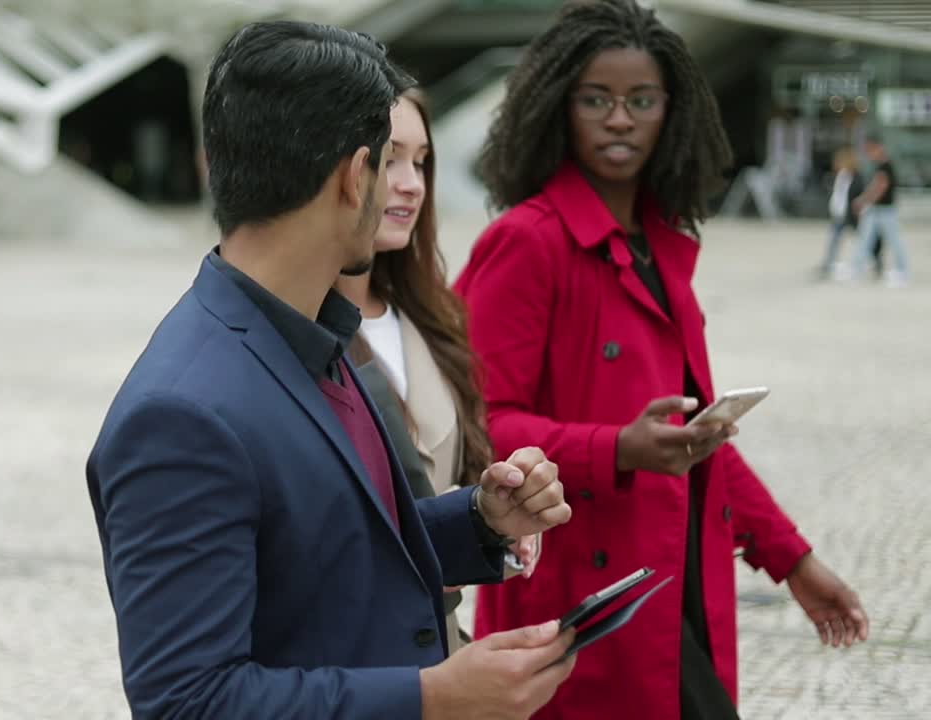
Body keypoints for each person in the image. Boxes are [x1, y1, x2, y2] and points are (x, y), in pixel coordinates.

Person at [87, 21, 576, 719]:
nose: (401, 189)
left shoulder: (308, 332)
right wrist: (433, 698)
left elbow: (330, 550)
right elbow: (187, 703)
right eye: (389, 163)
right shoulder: (184, 413)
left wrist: (479, 521)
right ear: (354, 176)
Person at [454, 2, 870, 719]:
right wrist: (618, 448)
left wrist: (794, 562)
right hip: (579, 607)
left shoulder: (660, 244)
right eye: (597, 99)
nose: (621, 119)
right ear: (558, 106)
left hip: (681, 590)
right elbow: (479, 425)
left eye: (642, 100)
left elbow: (700, 437)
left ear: (671, 113)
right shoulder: (529, 242)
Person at [334, 89, 542, 654]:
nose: (411, 183)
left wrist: (503, 515)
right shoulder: (298, 333)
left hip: (440, 645)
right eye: (390, 157)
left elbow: (463, 474)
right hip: (351, 663)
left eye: (422, 161)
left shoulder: (431, 317)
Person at [847, 136, 908, 287]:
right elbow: (876, 186)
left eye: (869, 150)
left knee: (893, 241)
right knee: (864, 239)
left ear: (877, 148)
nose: (868, 154)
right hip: (876, 210)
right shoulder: (881, 165)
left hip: (885, 210)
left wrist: (863, 201)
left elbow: (879, 188)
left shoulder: (885, 166)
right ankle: (856, 268)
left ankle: (902, 271)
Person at [817, 147, 863, 280]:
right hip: (840, 213)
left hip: (850, 214)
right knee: (835, 239)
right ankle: (829, 262)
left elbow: (851, 196)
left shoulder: (854, 177)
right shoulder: (841, 176)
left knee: (860, 240)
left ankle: (863, 261)